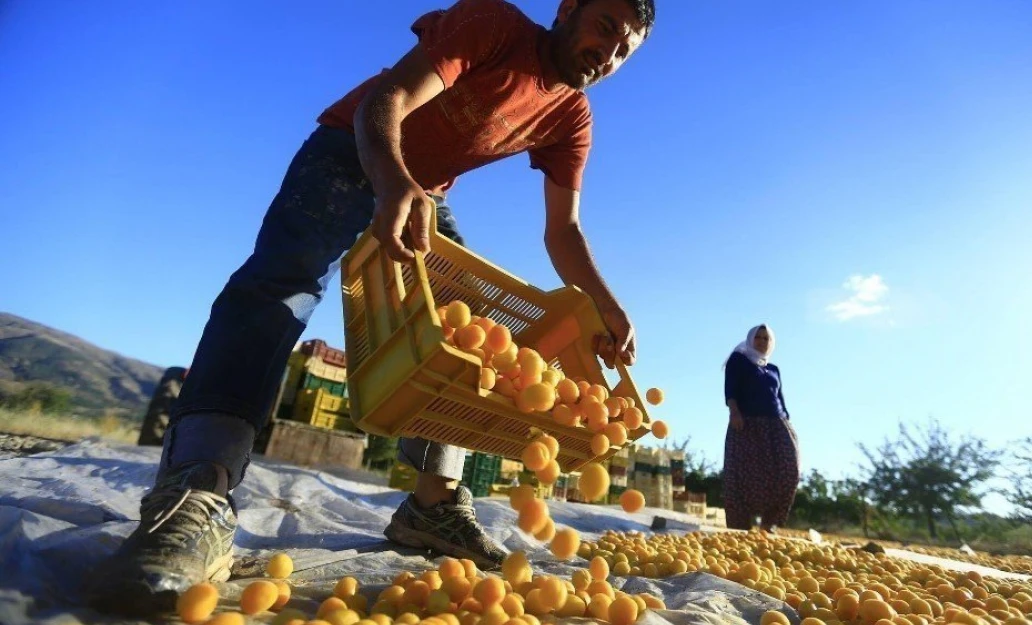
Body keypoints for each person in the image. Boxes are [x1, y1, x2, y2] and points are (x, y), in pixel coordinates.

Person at [89, 0, 654, 614]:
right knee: (282, 287)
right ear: (569, 9)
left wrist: (605, 304)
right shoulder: (494, 27)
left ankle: (431, 507)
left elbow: (563, 230)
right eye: (605, 28)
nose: (609, 52)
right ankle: (199, 488)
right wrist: (390, 179)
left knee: (463, 330)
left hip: (424, 192)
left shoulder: (571, 114)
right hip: (351, 149)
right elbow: (384, 101)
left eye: (625, 48)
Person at [722, 324, 801, 532]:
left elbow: (780, 399)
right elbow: (731, 387)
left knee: (788, 469)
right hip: (747, 423)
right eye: (758, 337)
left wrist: (788, 422)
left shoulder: (773, 369)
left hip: (777, 425)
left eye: (766, 339)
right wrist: (734, 411)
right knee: (742, 475)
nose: (762, 342)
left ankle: (769, 524)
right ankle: (741, 528)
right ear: (750, 339)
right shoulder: (739, 359)